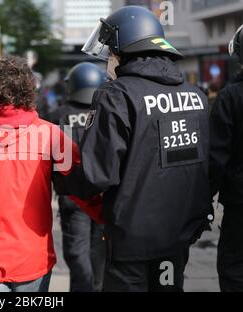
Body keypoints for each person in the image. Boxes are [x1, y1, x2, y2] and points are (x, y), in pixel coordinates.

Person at [70, 6, 212, 292]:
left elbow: (96, 174)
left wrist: (66, 178)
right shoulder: (196, 96)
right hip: (176, 239)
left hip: (131, 243)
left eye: (110, 52)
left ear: (124, 50)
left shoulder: (117, 96)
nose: (109, 60)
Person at [0, 55, 79, 292]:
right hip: (32, 257)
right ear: (28, 89)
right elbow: (83, 184)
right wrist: (107, 221)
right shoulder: (52, 135)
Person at [51, 62, 107, 292]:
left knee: (78, 256)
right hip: (103, 195)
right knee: (98, 258)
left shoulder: (58, 116)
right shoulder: (108, 112)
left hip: (72, 199)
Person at [210, 25, 243, 292]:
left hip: (239, 206)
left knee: (234, 272)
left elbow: (215, 158)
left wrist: (200, 206)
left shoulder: (230, 97)